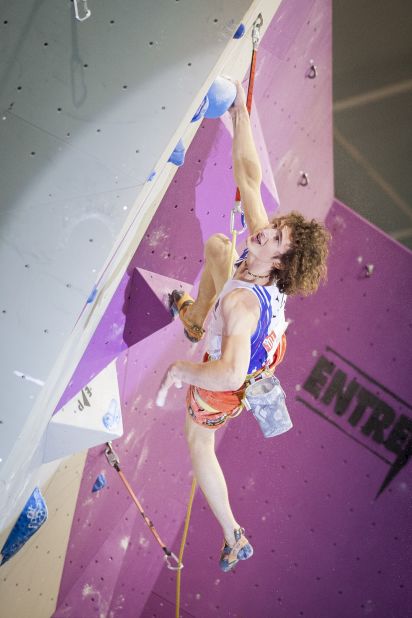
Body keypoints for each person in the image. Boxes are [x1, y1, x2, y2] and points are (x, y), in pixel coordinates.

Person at [156, 80, 330, 572]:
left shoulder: (243, 310)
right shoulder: (262, 256)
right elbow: (249, 178)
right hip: (255, 342)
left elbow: (229, 376)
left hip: (233, 378)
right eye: (274, 229)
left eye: (274, 237)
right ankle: (193, 320)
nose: (266, 229)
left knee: (198, 440)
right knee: (218, 248)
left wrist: (182, 371)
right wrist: (240, 112)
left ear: (278, 262)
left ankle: (234, 535)